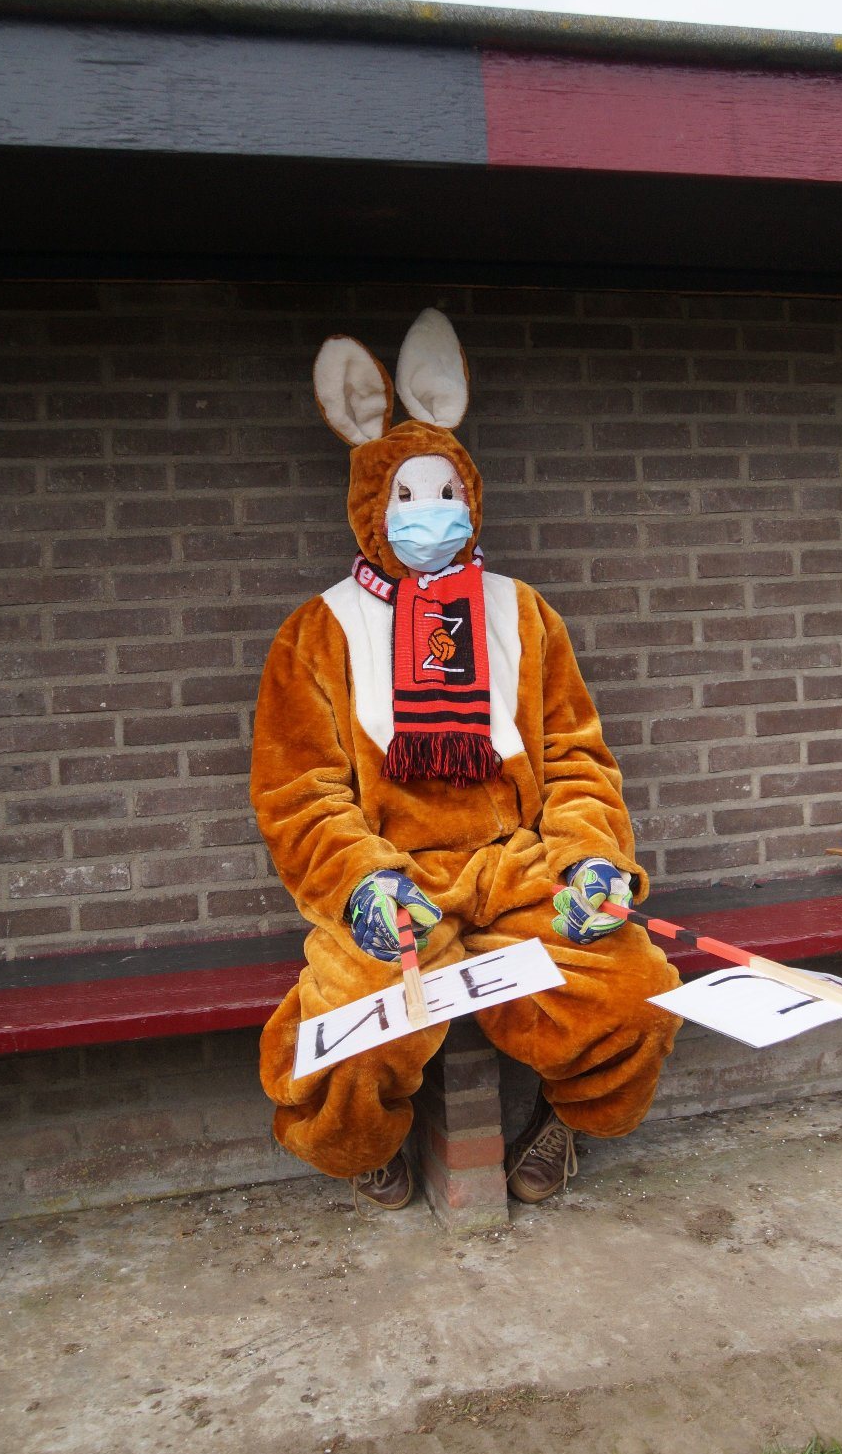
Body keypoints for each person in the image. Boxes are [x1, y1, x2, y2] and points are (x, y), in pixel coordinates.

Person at [252, 309, 680, 1210]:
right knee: (351, 1027)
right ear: (371, 507)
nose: (430, 516)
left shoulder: (522, 612)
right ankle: (362, 1149)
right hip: (396, 881)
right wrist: (360, 884)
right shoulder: (316, 630)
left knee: (634, 990)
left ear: (472, 496)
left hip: (518, 870)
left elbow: (575, 758)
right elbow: (298, 792)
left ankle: (567, 1120)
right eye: (406, 499)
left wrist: (590, 860)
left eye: (445, 493)